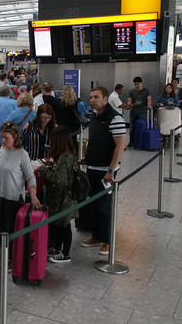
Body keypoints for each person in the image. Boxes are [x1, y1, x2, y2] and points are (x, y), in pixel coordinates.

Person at [0, 121, 39, 268]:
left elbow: (30, 177)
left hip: (14, 198)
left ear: (15, 137)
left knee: (12, 230)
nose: (3, 140)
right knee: (3, 229)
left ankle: (11, 258)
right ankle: (4, 256)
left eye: (6, 137)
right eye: (2, 137)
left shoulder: (22, 154)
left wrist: (33, 194)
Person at [81, 87, 127, 256]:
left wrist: (111, 170)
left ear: (105, 99)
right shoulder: (95, 116)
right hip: (92, 168)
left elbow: (120, 145)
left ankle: (108, 240)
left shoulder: (115, 118)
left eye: (96, 97)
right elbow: (95, 141)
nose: (93, 100)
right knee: (93, 204)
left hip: (106, 171)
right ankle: (96, 236)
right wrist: (88, 158)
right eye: (91, 97)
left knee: (105, 207)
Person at [37, 127, 78, 263]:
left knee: (64, 226)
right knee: (60, 224)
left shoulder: (63, 158)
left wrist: (43, 169)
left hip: (63, 198)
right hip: (64, 197)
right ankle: (56, 248)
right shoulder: (68, 154)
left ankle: (65, 253)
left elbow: (59, 180)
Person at [125, 77, 152, 147]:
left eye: (138, 84)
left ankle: (141, 142)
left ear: (141, 83)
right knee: (132, 128)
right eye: (135, 84)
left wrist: (149, 105)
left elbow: (149, 99)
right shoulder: (131, 91)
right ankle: (131, 142)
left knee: (141, 127)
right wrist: (129, 105)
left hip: (142, 111)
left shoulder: (146, 91)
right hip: (133, 112)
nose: (136, 86)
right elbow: (129, 100)